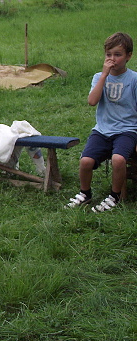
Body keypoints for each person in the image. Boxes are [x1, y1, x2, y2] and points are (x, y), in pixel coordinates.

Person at [65, 32, 137, 212]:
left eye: (118, 55)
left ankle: (115, 196)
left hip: (127, 130)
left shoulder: (134, 79)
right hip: (102, 130)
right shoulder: (99, 77)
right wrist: (104, 75)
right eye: (108, 54)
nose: (112, 59)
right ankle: (85, 193)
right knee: (85, 161)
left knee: (118, 159)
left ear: (128, 56)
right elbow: (92, 101)